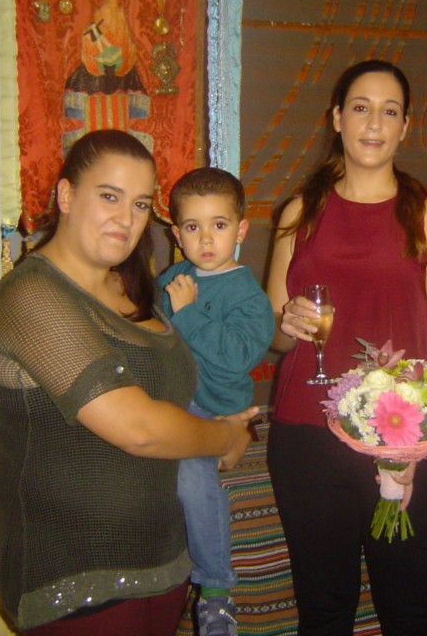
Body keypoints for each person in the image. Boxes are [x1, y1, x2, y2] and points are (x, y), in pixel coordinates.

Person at [0, 130, 257, 636]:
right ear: (66, 196)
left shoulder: (136, 287)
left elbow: (192, 380)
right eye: (109, 196)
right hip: (75, 577)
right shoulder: (32, 297)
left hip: (165, 562)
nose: (126, 219)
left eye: (141, 204)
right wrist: (225, 436)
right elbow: (138, 428)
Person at [265, 59, 427, 635]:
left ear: (405, 126)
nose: (374, 123)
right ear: (337, 118)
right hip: (306, 433)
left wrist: (407, 440)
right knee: (323, 610)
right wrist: (287, 322)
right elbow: (275, 337)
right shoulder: (300, 213)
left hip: (405, 440)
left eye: (389, 111)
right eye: (360, 108)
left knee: (408, 611)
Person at [158, 167, 275, 636]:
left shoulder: (249, 296)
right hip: (171, 400)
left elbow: (235, 357)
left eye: (219, 225)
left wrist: (186, 314)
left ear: (241, 230)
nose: (206, 239)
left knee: (191, 477)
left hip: (214, 408)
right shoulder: (175, 276)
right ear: (176, 235)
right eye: (193, 226)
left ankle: (216, 590)